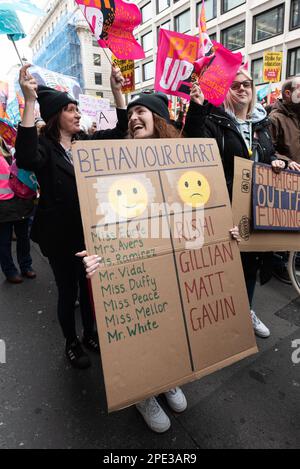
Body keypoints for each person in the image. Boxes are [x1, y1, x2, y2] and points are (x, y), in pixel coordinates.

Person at [77, 91, 241, 433]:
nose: (134, 117)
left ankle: (168, 376)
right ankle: (143, 393)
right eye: (131, 112)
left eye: (142, 111)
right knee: (142, 324)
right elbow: (101, 217)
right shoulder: (111, 162)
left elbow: (201, 204)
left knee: (169, 317)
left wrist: (224, 232)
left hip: (173, 254)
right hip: (133, 257)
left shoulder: (183, 157)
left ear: (159, 118)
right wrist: (95, 254)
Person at [15, 63, 128, 370]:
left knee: (90, 288)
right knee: (69, 291)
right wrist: (29, 102)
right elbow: (24, 158)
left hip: (89, 234)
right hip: (59, 238)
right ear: (56, 117)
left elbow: (119, 133)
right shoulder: (45, 149)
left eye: (78, 109)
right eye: (70, 109)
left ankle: (91, 333)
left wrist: (118, 92)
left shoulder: (86, 145)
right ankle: (71, 342)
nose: (78, 114)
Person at [184, 68, 287, 339]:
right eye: (236, 85)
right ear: (225, 91)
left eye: (247, 85)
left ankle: (246, 311)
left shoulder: (262, 124)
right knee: (224, 266)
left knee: (250, 263)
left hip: (255, 209)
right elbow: (193, 148)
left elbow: (267, 154)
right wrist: (196, 107)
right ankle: (221, 320)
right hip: (224, 207)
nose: (243, 89)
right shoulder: (213, 122)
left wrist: (276, 162)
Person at [269, 77, 300, 283]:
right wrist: (286, 161)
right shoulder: (275, 118)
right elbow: (269, 148)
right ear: (288, 94)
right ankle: (277, 262)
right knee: (283, 222)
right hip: (286, 177)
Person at [0, 137, 36, 283]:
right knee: (4, 241)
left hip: (20, 201)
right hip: (2, 205)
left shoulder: (10, 147)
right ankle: (10, 271)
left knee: (23, 237)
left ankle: (26, 266)